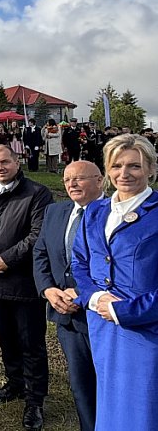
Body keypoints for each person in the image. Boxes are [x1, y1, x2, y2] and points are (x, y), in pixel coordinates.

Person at [72, 134, 158, 431]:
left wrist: (127, 311)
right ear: (107, 170)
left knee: (143, 408)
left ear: (151, 168)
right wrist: (93, 299)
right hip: (102, 326)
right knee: (109, 403)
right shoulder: (95, 210)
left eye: (134, 166)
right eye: (116, 165)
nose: (125, 173)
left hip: (146, 329)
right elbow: (80, 262)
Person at [0, 145, 53, 431]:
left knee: (31, 343)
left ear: (17, 163)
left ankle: (35, 401)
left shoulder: (37, 193)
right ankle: (15, 383)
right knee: (6, 338)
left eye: (5, 162)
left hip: (24, 283)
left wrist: (6, 259)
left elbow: (36, 235)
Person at [32, 161, 103, 431]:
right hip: (66, 318)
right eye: (66, 179)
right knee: (80, 384)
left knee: (109, 385)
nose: (71, 184)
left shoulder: (112, 213)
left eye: (79, 179)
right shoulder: (55, 212)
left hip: (103, 316)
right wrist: (48, 290)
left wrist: (84, 293)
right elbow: (40, 253)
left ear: (100, 181)